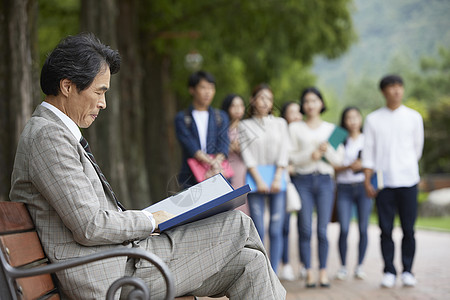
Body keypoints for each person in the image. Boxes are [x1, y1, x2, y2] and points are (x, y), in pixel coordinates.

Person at [9, 33, 286, 300]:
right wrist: (150, 220)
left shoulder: (53, 132)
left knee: (249, 264)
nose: (103, 104)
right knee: (238, 223)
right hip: (110, 273)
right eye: (99, 92)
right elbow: (90, 225)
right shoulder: (48, 136)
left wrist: (152, 219)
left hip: (122, 260)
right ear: (67, 86)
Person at [362, 74, 424, 288]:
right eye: (391, 87)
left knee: (409, 228)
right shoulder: (373, 119)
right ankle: (389, 270)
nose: (396, 90)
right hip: (383, 183)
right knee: (385, 229)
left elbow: (417, 149)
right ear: (383, 91)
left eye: (399, 86)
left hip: (408, 180)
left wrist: (404, 165)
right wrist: (367, 180)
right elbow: (368, 153)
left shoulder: (414, 117)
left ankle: (407, 270)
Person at [289, 87, 344, 288]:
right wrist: (309, 156)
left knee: (322, 229)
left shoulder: (332, 129)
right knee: (304, 228)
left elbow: (338, 161)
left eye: (314, 100)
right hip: (302, 181)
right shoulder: (295, 128)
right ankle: (308, 271)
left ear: (321, 103)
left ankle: (323, 271)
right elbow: (291, 156)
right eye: (307, 101)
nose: (311, 104)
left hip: (324, 181)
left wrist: (325, 150)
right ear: (303, 106)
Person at [238, 84, 290, 274]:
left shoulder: (280, 123)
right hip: (255, 178)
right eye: (260, 97)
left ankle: (274, 271)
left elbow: (284, 150)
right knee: (258, 229)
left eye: (269, 98)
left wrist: (277, 177)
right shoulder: (244, 125)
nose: (265, 101)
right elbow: (247, 154)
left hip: (278, 178)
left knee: (276, 228)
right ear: (252, 100)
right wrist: (258, 179)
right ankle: (262, 270)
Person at [334, 106, 372, 280]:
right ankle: (342, 266)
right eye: (349, 118)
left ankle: (360, 266)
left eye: (356, 117)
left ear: (361, 119)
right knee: (344, 227)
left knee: (364, 228)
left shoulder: (368, 138)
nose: (353, 121)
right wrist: (348, 166)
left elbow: (375, 162)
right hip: (344, 188)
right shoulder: (338, 137)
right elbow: (329, 163)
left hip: (363, 187)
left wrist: (363, 166)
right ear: (344, 121)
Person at [174, 70, 230, 188]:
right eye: (203, 88)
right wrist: (211, 163)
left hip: (218, 174)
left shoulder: (220, 117)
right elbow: (191, 146)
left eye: (211, 88)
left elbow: (224, 144)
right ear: (192, 90)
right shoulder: (182, 118)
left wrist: (216, 165)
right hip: (191, 177)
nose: (208, 92)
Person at [278, 101, 303, 281]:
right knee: (284, 225)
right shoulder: (280, 133)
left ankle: (304, 264)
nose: (296, 116)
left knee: (305, 225)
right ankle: (285, 264)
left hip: (304, 181)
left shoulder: (306, 132)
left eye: (298, 112)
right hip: (286, 181)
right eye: (291, 112)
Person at [221, 93, 249, 214]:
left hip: (243, 169)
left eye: (241, 105)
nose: (238, 109)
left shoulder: (247, 127)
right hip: (226, 168)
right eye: (234, 106)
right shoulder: (221, 128)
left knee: (244, 201)